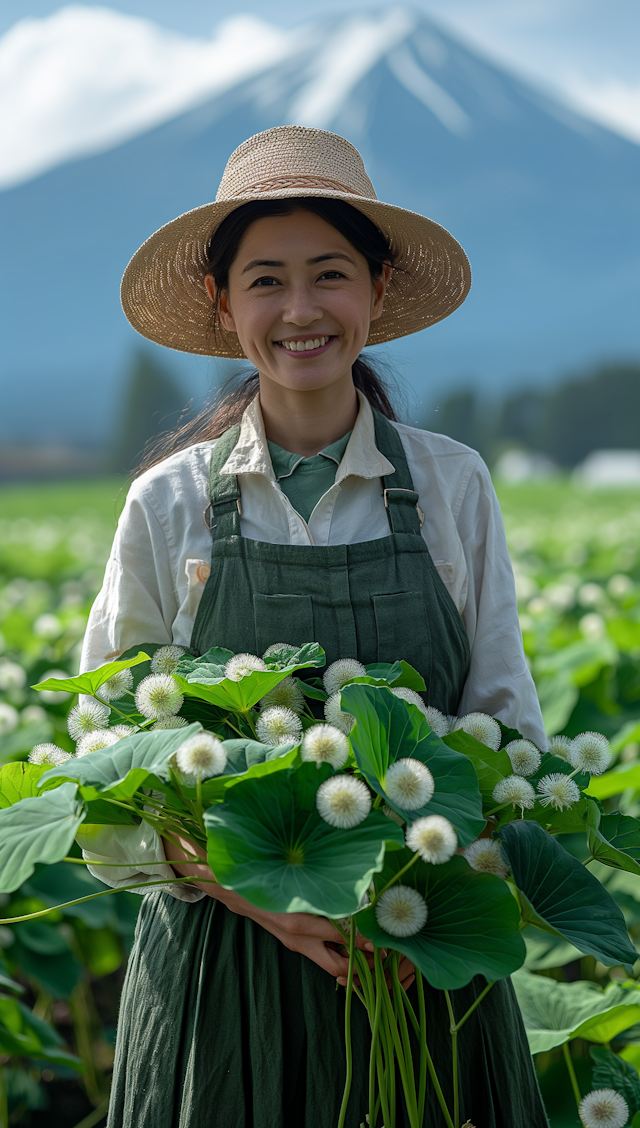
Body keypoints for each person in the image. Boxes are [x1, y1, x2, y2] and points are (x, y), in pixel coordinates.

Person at [81, 125, 549, 1127]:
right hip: (220, 976)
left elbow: (507, 731)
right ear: (222, 302)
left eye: (329, 274)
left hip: (418, 956)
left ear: (376, 291)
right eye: (265, 280)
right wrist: (265, 896)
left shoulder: (450, 482)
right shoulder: (165, 505)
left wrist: (414, 882)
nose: (300, 310)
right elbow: (112, 783)